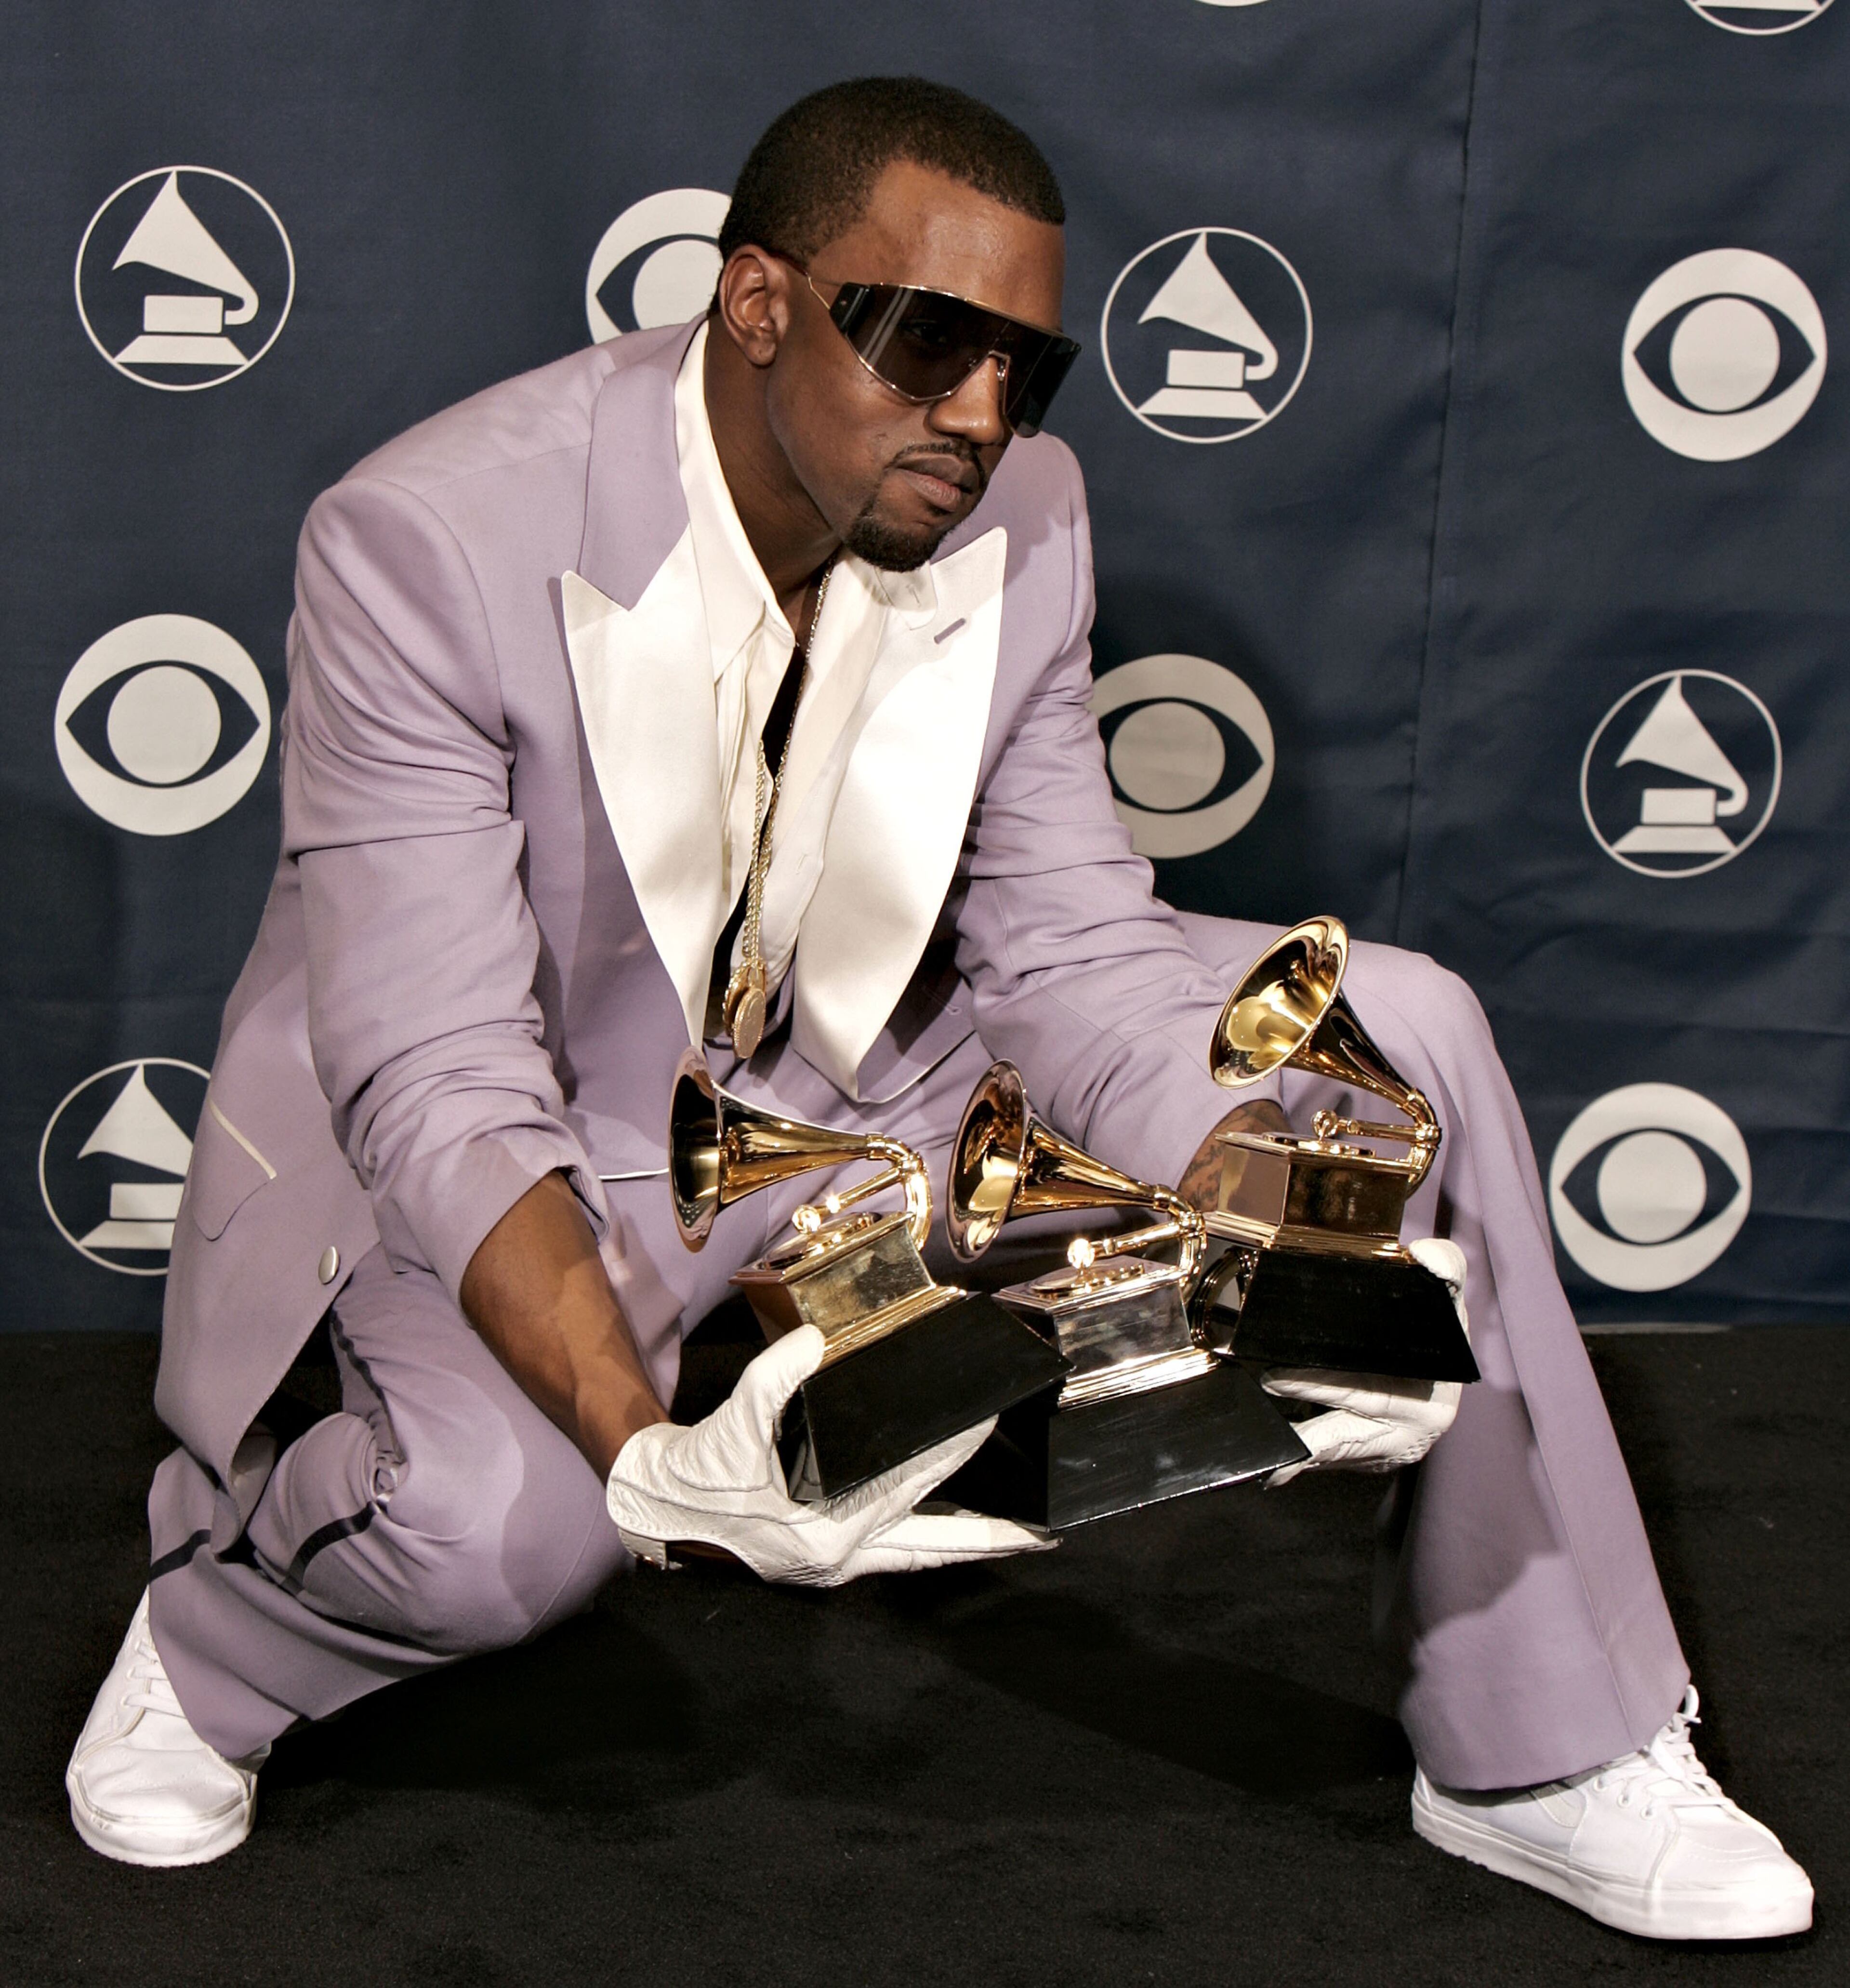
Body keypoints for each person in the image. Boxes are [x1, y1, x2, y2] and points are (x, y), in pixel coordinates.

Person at [66, 78, 1810, 1939]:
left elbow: (1061, 954)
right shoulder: (424, 539)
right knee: (505, 1537)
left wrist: (1277, 1212)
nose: (980, 417)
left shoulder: (1021, 512)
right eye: (926, 344)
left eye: (1026, 371)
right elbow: (432, 1069)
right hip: (525, 1127)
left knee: (1403, 1030)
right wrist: (644, 1455)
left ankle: (1544, 1745)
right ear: (758, 304)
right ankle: (216, 1645)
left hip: (866, 1086)